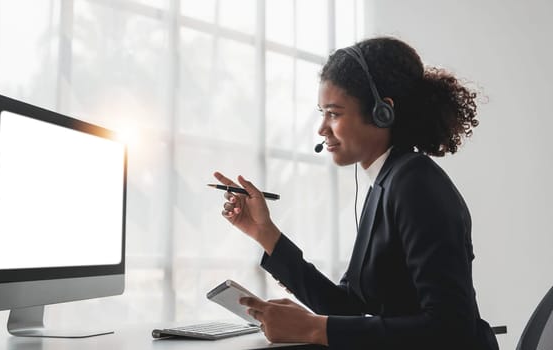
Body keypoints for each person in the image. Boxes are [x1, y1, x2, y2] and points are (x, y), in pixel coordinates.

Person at [213, 37, 499, 350]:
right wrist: (265, 233)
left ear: (381, 113)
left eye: (334, 113)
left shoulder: (416, 185)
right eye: (322, 112)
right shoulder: (387, 181)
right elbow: (347, 304)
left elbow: (449, 328)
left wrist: (315, 329)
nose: (322, 128)